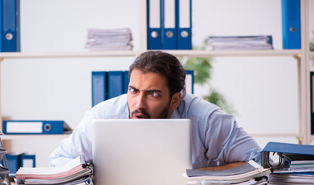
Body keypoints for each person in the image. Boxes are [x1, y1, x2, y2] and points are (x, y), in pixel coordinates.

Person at [49, 51, 261, 169]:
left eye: (153, 94)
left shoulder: (205, 119)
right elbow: (58, 160)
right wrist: (92, 172)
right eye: (133, 90)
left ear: (175, 99)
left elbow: (257, 163)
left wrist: (200, 174)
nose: (138, 104)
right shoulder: (102, 116)